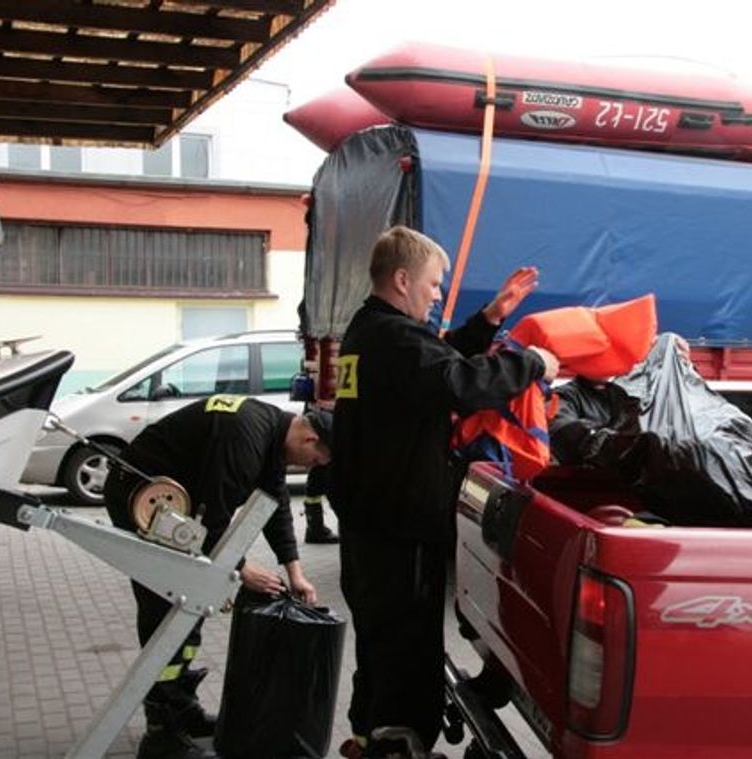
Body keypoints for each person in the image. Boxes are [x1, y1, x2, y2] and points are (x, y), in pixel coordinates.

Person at [331, 226, 560, 759]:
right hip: (399, 530)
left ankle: (369, 737)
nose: (437, 295)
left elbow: (438, 363)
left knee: (379, 640)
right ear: (402, 279)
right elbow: (461, 384)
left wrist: (490, 318)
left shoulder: (370, 333)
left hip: (370, 527)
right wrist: (532, 363)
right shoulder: (395, 340)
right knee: (408, 648)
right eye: (433, 284)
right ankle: (400, 746)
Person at [104, 396, 329, 759]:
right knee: (167, 609)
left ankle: (181, 710)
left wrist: (295, 572)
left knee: (190, 607)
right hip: (145, 500)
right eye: (316, 460)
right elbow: (214, 515)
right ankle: (161, 733)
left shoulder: (270, 431)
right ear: (309, 439)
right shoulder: (244, 438)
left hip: (177, 507)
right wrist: (241, 569)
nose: (310, 466)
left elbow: (275, 506)